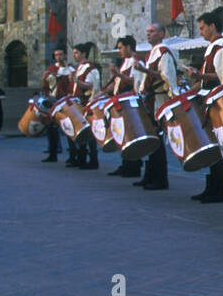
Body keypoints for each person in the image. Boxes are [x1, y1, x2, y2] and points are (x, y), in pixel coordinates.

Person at [187, 11, 223, 204]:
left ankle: (220, 189)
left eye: (202, 28)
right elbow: (203, 79)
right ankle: (213, 186)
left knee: (220, 144)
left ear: (212, 26)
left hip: (220, 100)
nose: (200, 32)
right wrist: (188, 93)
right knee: (214, 142)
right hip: (210, 100)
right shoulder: (212, 48)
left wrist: (200, 78)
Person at [136, 22, 179, 190]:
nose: (148, 34)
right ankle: (150, 175)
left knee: (158, 141)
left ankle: (160, 179)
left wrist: (145, 72)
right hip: (150, 100)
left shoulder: (163, 53)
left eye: (152, 31)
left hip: (159, 100)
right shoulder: (151, 54)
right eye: (147, 31)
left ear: (161, 34)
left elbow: (166, 77)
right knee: (152, 140)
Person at [104, 36, 143, 178]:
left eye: (121, 47)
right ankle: (126, 163)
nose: (119, 51)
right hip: (121, 101)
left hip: (129, 102)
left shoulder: (135, 60)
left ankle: (133, 166)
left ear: (128, 47)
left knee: (130, 134)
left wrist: (117, 73)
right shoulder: (125, 62)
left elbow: (134, 81)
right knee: (124, 134)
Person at [41, 47, 75, 164]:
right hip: (53, 100)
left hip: (65, 100)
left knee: (69, 127)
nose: (59, 57)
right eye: (56, 55)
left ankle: (73, 155)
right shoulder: (51, 69)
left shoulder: (70, 69)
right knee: (51, 128)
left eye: (60, 54)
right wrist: (44, 79)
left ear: (65, 55)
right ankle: (53, 153)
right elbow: (46, 86)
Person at [72, 42, 101, 169]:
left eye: (76, 53)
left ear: (84, 54)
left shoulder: (90, 68)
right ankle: (81, 157)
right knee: (82, 131)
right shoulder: (79, 67)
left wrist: (76, 82)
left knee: (89, 133)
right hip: (79, 102)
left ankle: (93, 159)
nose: (74, 55)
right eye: (73, 53)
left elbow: (90, 85)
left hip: (87, 102)